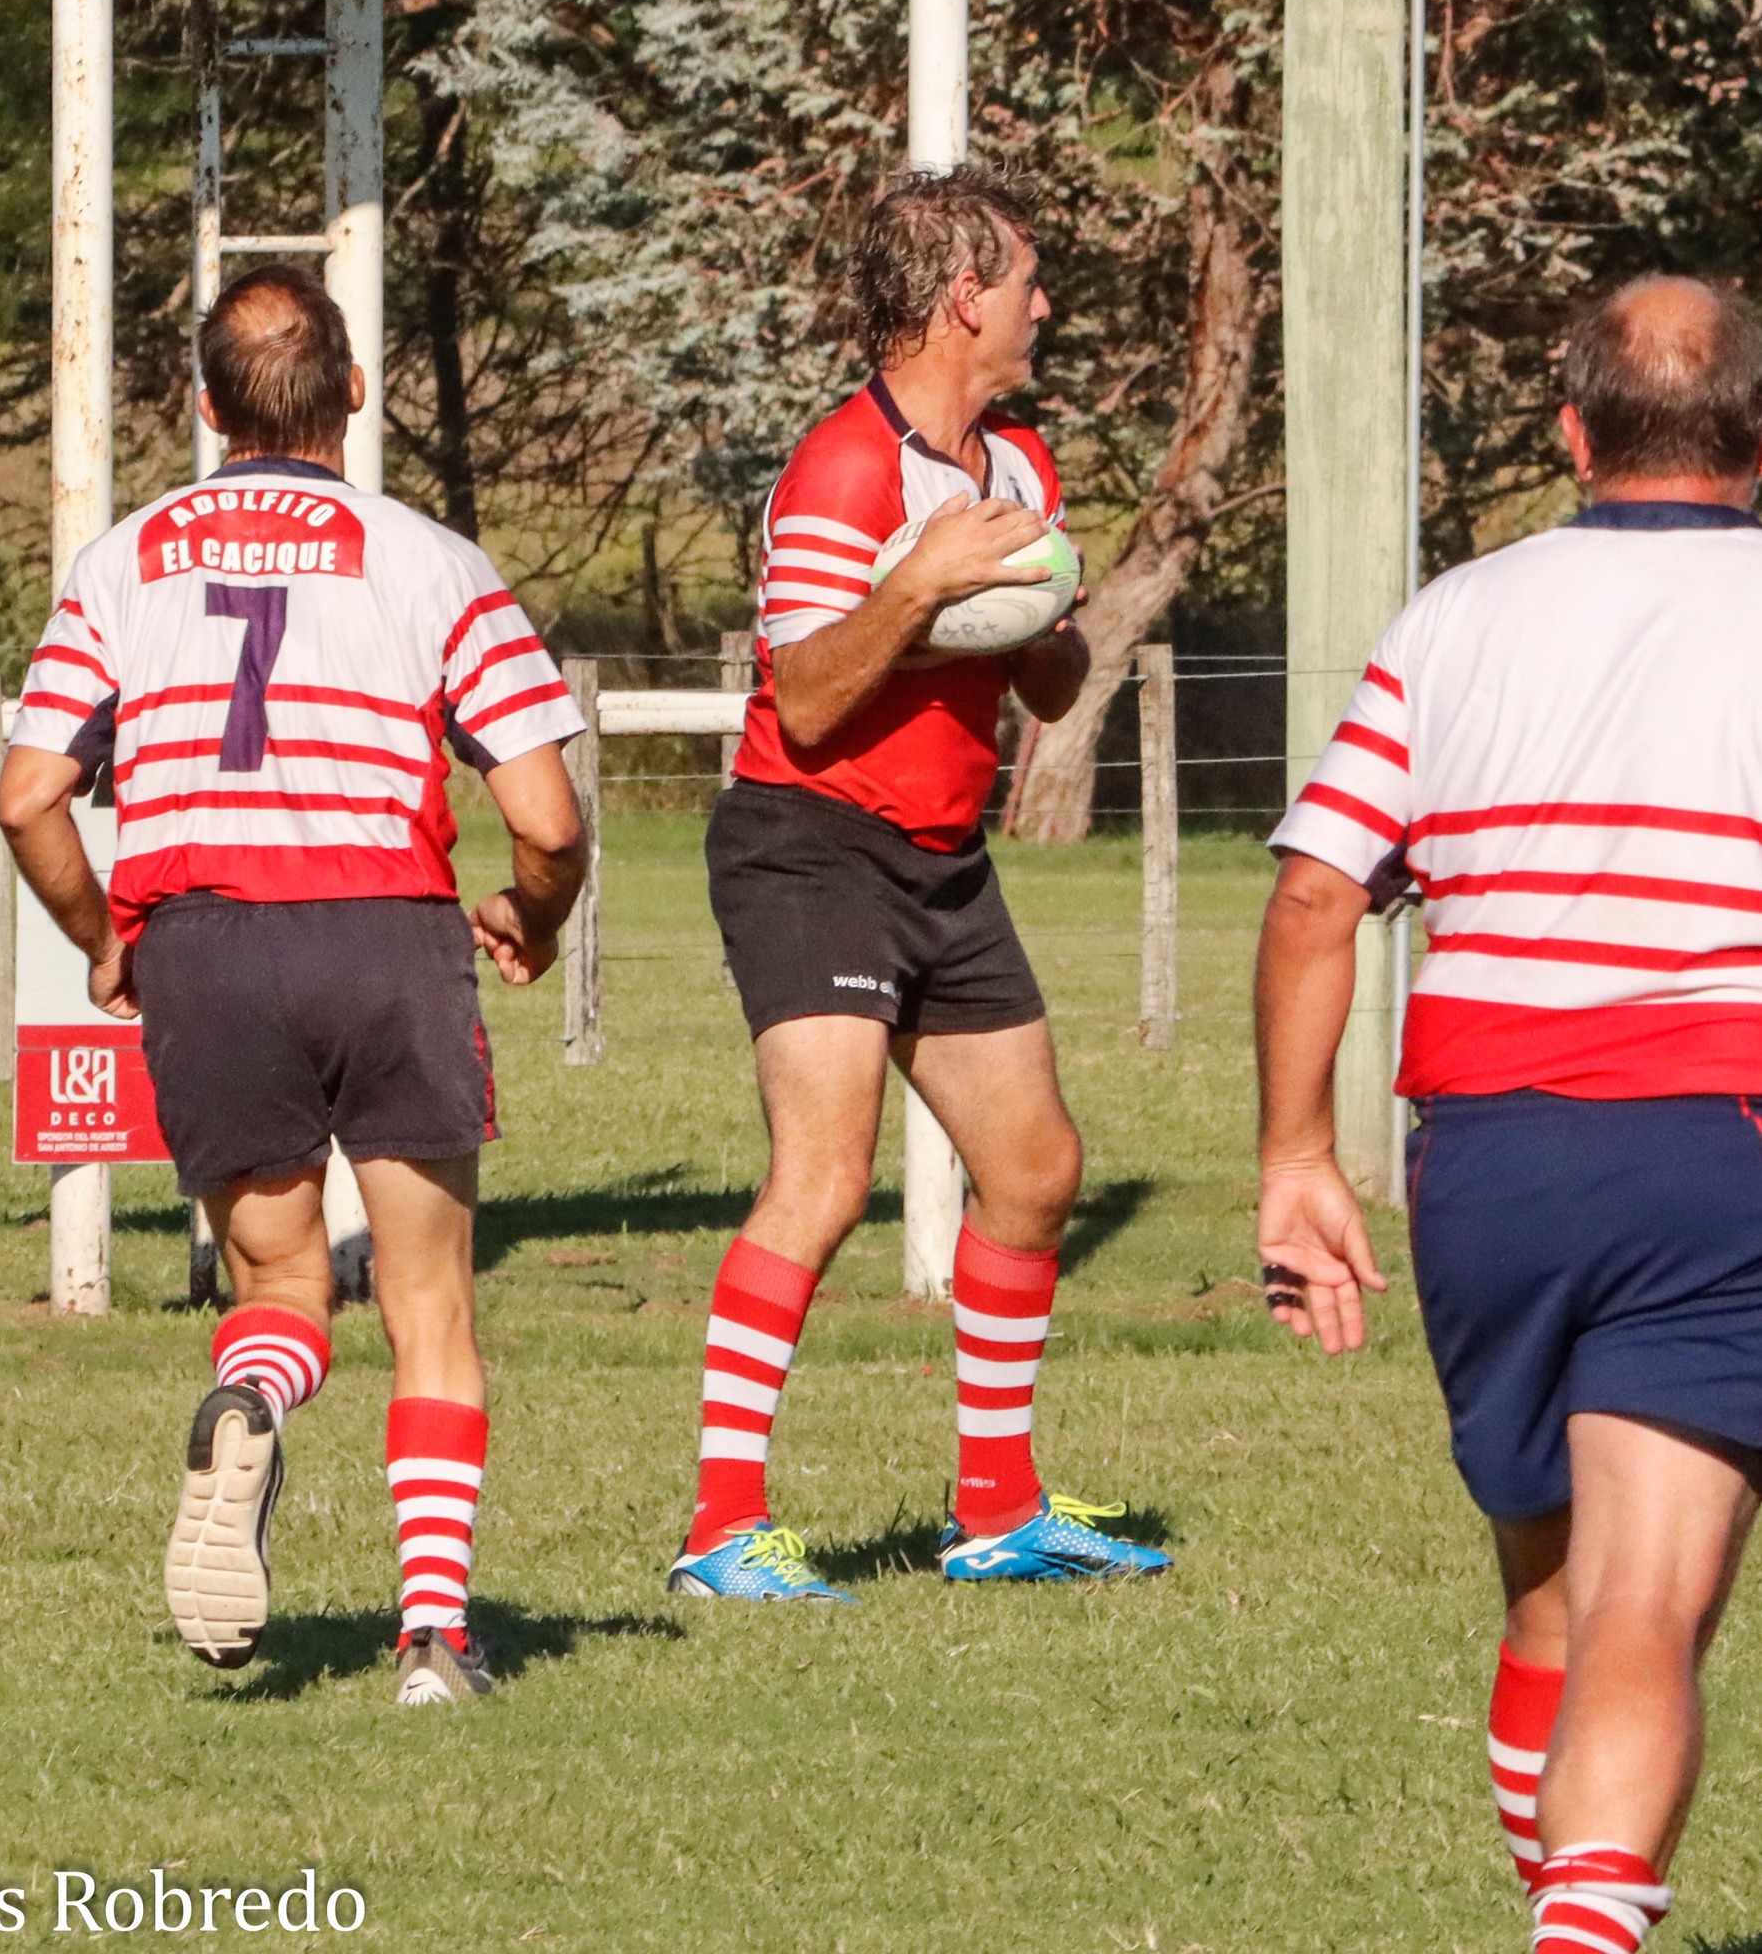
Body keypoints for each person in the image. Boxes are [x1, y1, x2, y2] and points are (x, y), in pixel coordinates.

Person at [0, 262, 588, 1705]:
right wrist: (534, 913)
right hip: (383, 930)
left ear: (204, 407)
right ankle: (437, 1639)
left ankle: (255, 1393)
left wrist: (103, 937)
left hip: (205, 935)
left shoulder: (123, 561)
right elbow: (551, 817)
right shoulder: (429, 558)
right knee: (430, 1300)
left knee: (276, 1278)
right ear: (357, 394)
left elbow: (27, 800)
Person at [1254, 276, 1762, 1950]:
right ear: (1754, 435)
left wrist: (1295, 1159)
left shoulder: (1454, 618)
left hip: (1487, 1166)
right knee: (1641, 1610)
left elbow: (1321, 898)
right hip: (1715, 1144)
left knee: (1548, 1595)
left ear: (1571, 433)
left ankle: (1559, 1907)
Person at [669, 165, 1172, 1600]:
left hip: (944, 860)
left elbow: (1060, 692)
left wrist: (1035, 608)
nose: (1042, 305)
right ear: (964, 302)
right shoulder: (841, 471)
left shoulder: (1019, 468)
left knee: (1035, 1169)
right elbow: (811, 701)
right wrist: (924, 585)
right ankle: (718, 1535)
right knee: (823, 1184)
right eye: (1025, 280)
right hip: (807, 845)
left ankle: (997, 1513)